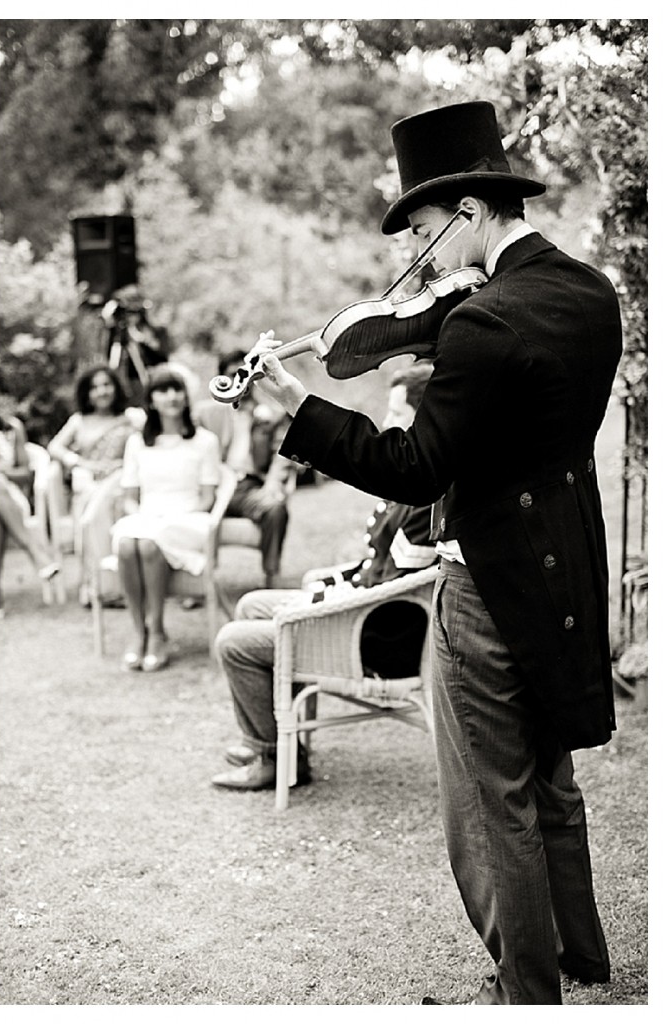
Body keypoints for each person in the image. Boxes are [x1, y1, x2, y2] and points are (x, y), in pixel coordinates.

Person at [242, 101, 623, 1004]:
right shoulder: (588, 293)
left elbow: (414, 469)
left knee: (495, 806)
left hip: (485, 582)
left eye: (421, 231)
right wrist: (437, 319)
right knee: (551, 778)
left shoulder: (481, 325)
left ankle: (524, 987)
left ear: (467, 212)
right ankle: (582, 953)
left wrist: (299, 409)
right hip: (565, 561)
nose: (417, 260)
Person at [211, 363, 437, 791]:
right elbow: (377, 571)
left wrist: (317, 606)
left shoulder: (426, 498)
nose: (387, 423)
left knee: (233, 642)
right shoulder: (409, 488)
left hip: (374, 639)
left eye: (395, 413)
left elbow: (393, 592)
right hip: (363, 615)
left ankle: (273, 758)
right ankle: (274, 740)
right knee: (252, 604)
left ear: (421, 418)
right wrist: (329, 588)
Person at [111, 364, 221, 672]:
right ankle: (138, 631)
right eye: (162, 390)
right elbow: (130, 499)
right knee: (125, 541)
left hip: (189, 518)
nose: (171, 396)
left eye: (177, 389)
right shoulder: (137, 443)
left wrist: (171, 516)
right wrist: (146, 515)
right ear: (151, 400)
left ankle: (157, 631)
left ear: (186, 398)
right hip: (147, 516)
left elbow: (207, 497)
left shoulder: (205, 441)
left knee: (148, 543)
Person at [194, 349, 295, 587]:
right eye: (233, 374)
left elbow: (282, 454)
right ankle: (196, 580)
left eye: (245, 373)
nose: (240, 380)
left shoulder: (271, 413)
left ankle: (272, 576)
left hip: (249, 487)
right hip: (214, 487)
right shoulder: (206, 413)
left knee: (275, 508)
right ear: (221, 378)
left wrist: (272, 484)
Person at [47, 364, 139, 604]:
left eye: (107, 385)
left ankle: (124, 587)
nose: (102, 391)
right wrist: (77, 463)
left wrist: (122, 468)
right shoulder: (79, 421)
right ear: (86, 393)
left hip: (121, 484)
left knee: (115, 501)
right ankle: (96, 587)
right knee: (90, 506)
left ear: (116, 388)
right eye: (95, 387)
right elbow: (55, 447)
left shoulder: (130, 419)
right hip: (89, 485)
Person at [0, 371, 59, 619]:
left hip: (10, 497)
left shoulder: (12, 428)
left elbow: (26, 474)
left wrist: (1, 471)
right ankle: (38, 555)